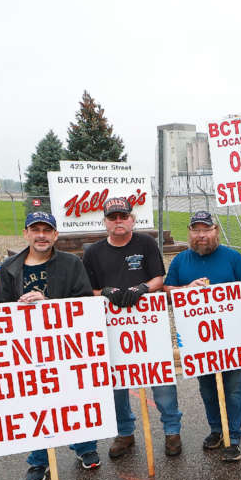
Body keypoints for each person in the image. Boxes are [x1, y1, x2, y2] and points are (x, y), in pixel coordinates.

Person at [0, 210, 98, 480]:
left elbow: (84, 300)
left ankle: (84, 446)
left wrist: (48, 301)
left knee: (73, 396)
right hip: (26, 348)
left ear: (55, 235)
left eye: (47, 230)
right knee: (36, 404)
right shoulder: (10, 267)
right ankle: (39, 459)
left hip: (64, 345)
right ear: (26, 233)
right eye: (35, 229)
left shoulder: (71, 263)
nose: (41, 235)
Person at [82, 197, 184, 459]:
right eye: (113, 217)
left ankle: (172, 430)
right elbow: (87, 290)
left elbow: (159, 278)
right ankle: (125, 432)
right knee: (116, 384)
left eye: (123, 216)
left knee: (161, 379)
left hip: (148, 324)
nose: (118, 221)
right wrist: (105, 292)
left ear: (132, 219)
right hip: (112, 326)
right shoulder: (93, 252)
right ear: (105, 221)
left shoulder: (146, 243)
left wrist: (142, 288)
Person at [164, 210, 241, 463]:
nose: (201, 235)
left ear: (215, 231)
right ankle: (217, 430)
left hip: (230, 337)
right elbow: (167, 290)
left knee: (234, 388)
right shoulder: (181, 261)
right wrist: (185, 289)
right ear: (190, 233)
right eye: (196, 230)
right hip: (198, 341)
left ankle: (233, 437)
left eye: (206, 229)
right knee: (207, 388)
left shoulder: (232, 258)